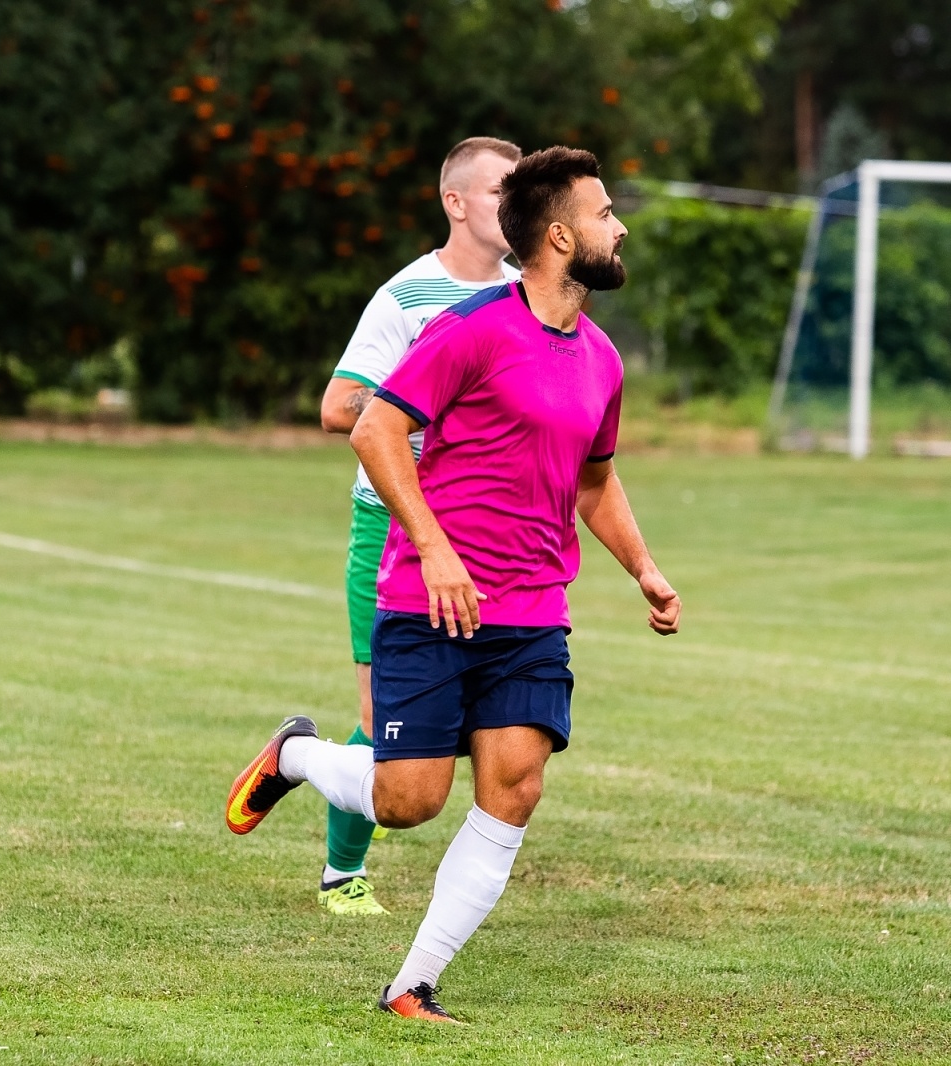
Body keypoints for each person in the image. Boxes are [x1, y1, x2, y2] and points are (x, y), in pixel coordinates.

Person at [225, 146, 680, 1023]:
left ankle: (412, 984)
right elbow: (374, 432)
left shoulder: (602, 359)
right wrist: (433, 548)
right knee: (409, 801)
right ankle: (295, 755)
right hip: (430, 602)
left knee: (514, 786)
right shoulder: (469, 327)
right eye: (603, 214)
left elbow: (594, 478)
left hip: (533, 612)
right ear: (558, 236)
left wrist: (645, 569)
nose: (619, 227)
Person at [300, 137, 523, 918]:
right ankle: (341, 872)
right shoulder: (405, 298)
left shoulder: (525, 294)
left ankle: (359, 780)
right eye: (501, 189)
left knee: (470, 722)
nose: (515, 202)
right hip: (392, 531)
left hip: (482, 536)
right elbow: (337, 408)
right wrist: (424, 404)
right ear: (455, 203)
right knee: (379, 718)